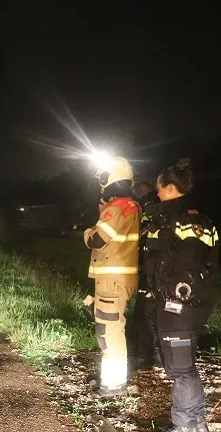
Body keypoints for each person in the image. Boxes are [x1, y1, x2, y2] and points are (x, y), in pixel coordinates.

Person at [145, 159, 219, 432]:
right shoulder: (171, 216)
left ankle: (188, 425)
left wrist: (176, 296)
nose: (157, 192)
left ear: (169, 187)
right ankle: (194, 423)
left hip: (179, 306)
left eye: (159, 188)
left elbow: (189, 263)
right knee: (181, 366)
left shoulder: (187, 218)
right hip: (173, 306)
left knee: (181, 369)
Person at [82, 156, 141, 397]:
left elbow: (97, 239)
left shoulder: (117, 208)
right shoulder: (130, 206)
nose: (101, 182)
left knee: (109, 332)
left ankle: (114, 385)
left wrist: (86, 232)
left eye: (103, 177)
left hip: (112, 280)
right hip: (117, 278)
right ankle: (112, 380)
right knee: (110, 329)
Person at [134, 181, 163, 370]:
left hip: (152, 269)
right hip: (154, 269)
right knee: (150, 313)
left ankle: (148, 357)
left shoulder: (152, 208)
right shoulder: (154, 206)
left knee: (146, 314)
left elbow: (143, 234)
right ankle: (152, 355)